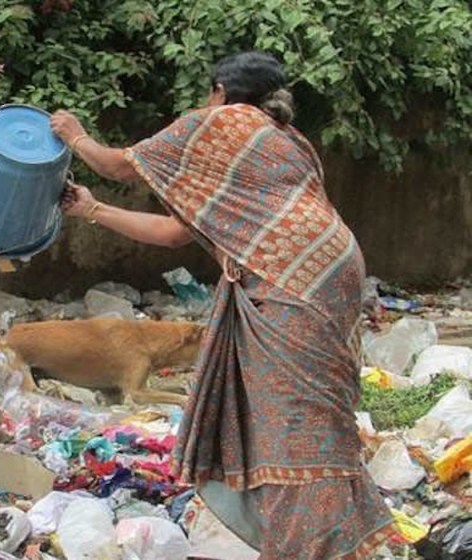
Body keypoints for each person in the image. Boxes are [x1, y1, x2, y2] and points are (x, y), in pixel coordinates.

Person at [50, 51, 396, 559]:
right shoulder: (285, 142)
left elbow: (117, 165)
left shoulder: (221, 122)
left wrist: (73, 134)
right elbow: (173, 233)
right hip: (332, 268)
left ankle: (307, 546)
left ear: (219, 91)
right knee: (311, 415)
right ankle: (322, 540)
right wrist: (91, 209)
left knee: (288, 422)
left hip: (289, 280)